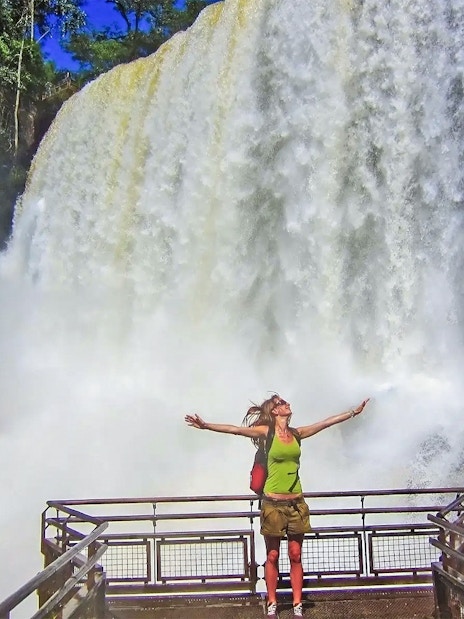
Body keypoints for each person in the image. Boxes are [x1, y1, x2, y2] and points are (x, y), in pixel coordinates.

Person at [185, 394, 369, 618]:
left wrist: (353, 413)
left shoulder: (296, 434)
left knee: (295, 555)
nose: (287, 403)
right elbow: (235, 430)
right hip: (273, 504)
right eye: (281, 403)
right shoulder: (266, 433)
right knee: (272, 555)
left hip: (296, 503)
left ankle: (297, 604)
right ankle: (272, 602)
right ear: (274, 411)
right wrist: (205, 426)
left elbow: (325, 423)